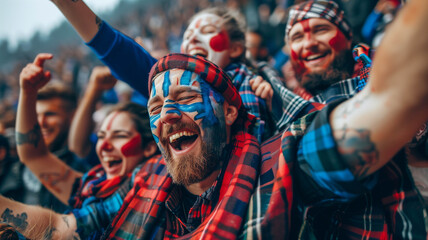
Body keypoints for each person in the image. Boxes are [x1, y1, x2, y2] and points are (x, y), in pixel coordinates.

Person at [242, 0, 428, 238]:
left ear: (347, 36)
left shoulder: (391, 69)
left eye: (321, 29)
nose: (309, 43)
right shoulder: (287, 112)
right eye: (297, 37)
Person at [49, 1, 273, 141]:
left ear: (235, 48)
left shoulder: (262, 86)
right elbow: (118, 50)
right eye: (187, 36)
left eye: (206, 31)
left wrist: (272, 103)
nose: (193, 38)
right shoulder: (169, 87)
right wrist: (68, 4)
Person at [3, 53, 159, 239]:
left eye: (119, 136)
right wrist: (28, 93)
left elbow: (59, 229)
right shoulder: (93, 184)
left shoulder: (147, 186)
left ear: (149, 147)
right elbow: (34, 157)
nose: (104, 146)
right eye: (101, 136)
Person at [2, 74, 88, 213]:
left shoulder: (84, 174)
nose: (40, 123)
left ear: (72, 116)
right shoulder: (11, 169)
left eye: (50, 114)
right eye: (35, 115)